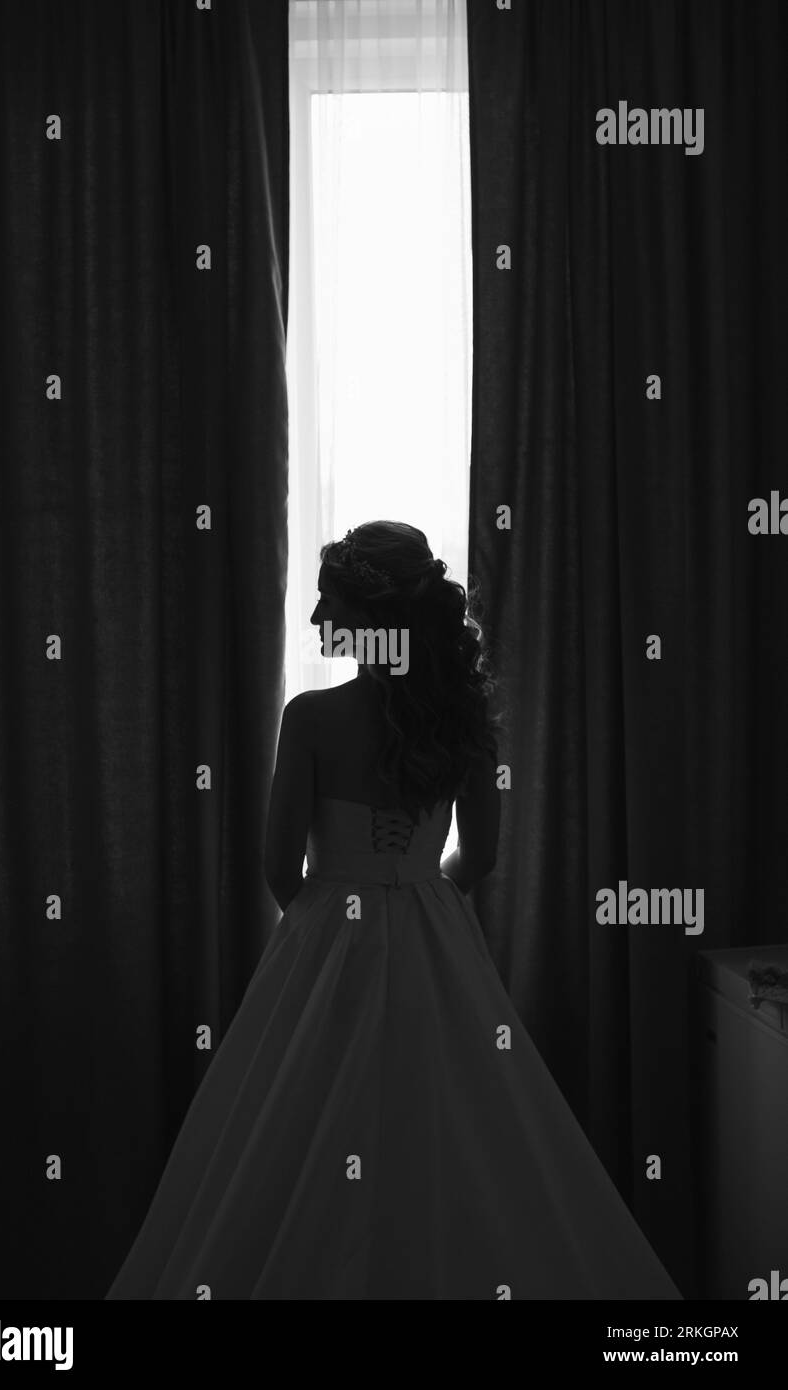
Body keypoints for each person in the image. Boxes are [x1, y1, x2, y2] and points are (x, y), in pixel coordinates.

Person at [106, 520, 682, 1300]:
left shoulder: (310, 718)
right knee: (456, 1124)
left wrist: (328, 919)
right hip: (431, 926)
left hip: (322, 936)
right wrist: (416, 892)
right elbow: (479, 856)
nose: (314, 622)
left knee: (292, 1126)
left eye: (326, 604)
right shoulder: (464, 723)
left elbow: (279, 868)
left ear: (371, 621)